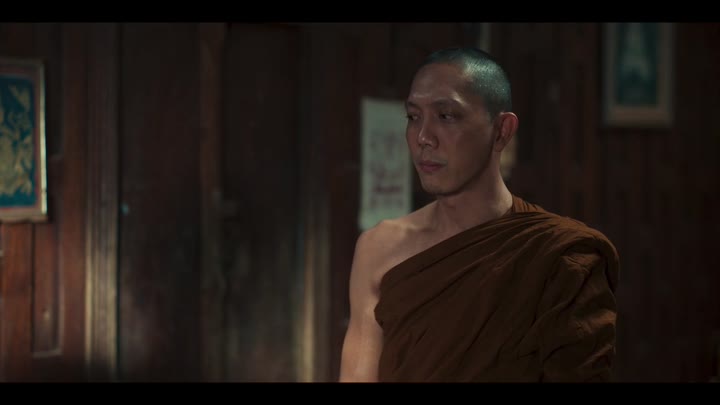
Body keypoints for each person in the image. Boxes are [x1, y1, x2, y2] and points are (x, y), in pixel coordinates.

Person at [338, 46, 620, 382]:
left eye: (446, 116)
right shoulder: (379, 249)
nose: (423, 137)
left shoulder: (560, 256)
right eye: (413, 117)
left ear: (502, 130)